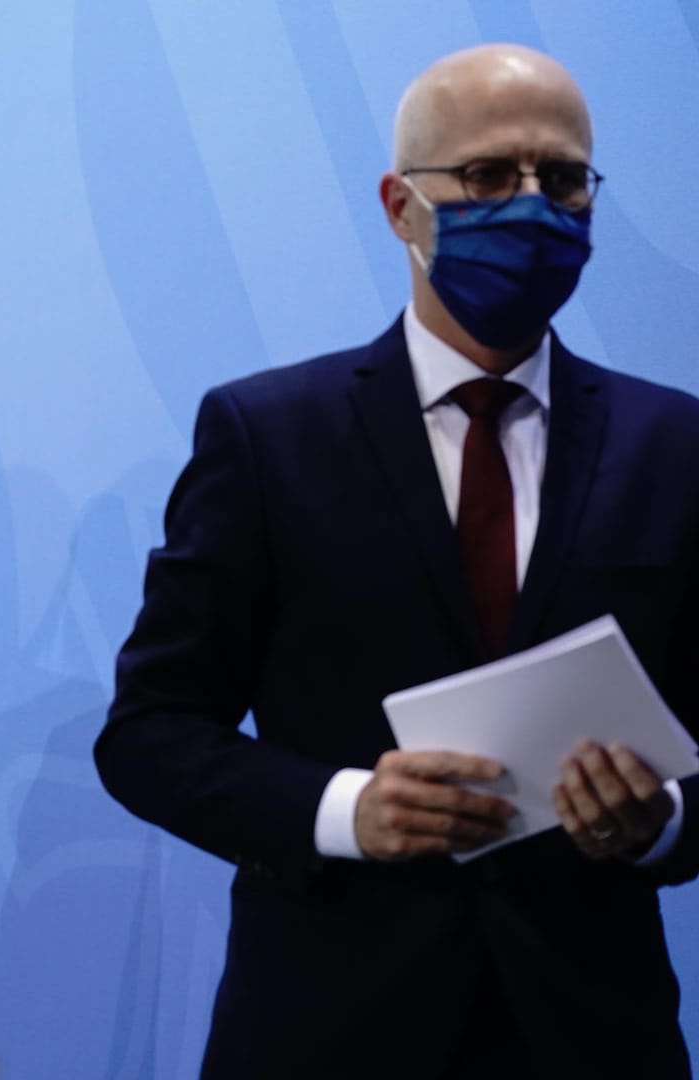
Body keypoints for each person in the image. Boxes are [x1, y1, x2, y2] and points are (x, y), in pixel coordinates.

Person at [95, 44, 699, 1077]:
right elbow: (149, 734)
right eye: (487, 178)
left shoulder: (677, 446)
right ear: (399, 205)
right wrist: (345, 811)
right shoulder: (266, 435)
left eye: (562, 180)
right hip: (328, 1028)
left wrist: (659, 824)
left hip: (593, 1035)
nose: (531, 205)